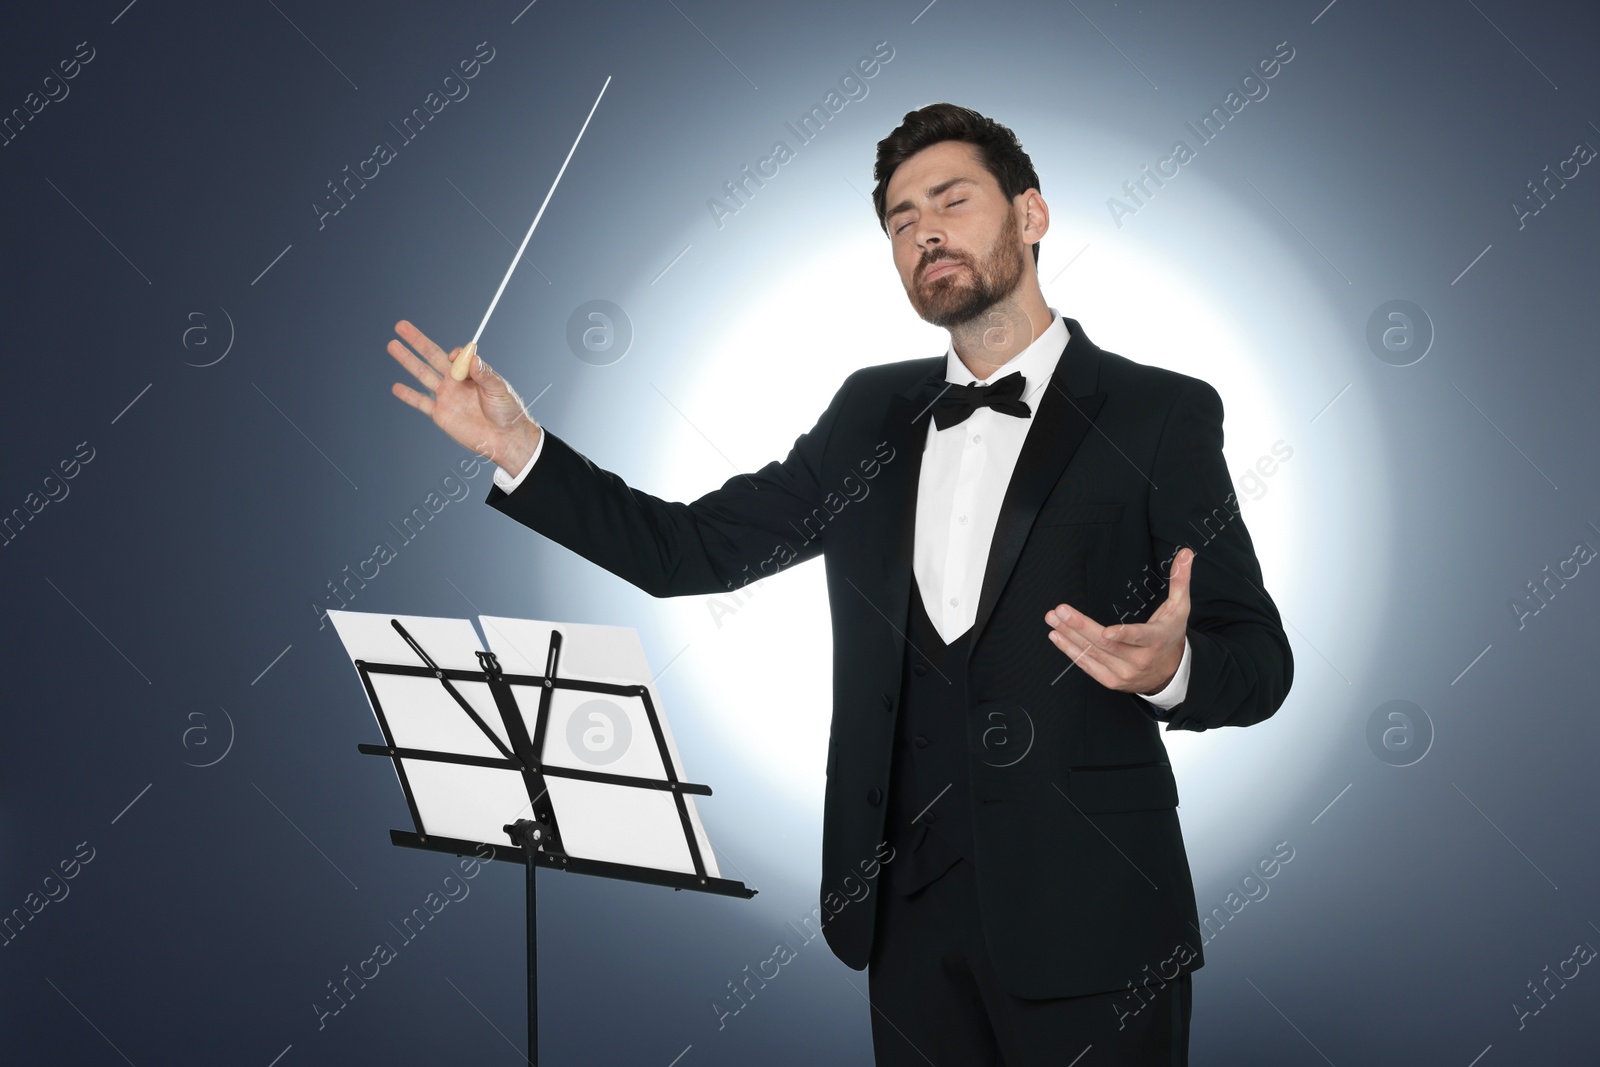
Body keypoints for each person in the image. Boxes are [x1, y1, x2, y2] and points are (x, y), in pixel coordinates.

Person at [387, 102, 1293, 1066]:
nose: (925, 232)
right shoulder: (871, 412)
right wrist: (519, 447)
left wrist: (1172, 669)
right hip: (900, 922)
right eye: (901, 222)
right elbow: (688, 551)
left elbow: (1258, 660)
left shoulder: (1161, 413)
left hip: (1099, 929)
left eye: (951, 201)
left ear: (1031, 214)